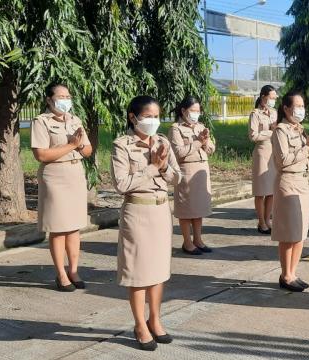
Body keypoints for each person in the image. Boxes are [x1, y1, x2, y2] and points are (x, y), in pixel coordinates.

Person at [111, 96, 181, 351]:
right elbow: (122, 184)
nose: (153, 121)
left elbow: (177, 178)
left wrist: (163, 168)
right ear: (133, 117)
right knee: (139, 273)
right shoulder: (122, 145)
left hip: (161, 210)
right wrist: (151, 167)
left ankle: (156, 319)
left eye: (156, 116)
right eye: (148, 116)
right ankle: (140, 324)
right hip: (138, 213)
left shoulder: (162, 141)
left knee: (159, 271)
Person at [30, 83, 93, 292]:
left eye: (68, 96)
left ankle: (74, 270)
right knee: (58, 228)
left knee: (74, 226)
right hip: (55, 176)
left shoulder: (75, 120)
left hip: (75, 173)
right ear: (49, 100)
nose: (65, 99)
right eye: (60, 96)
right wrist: (71, 145)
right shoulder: (41, 121)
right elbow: (41, 154)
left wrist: (80, 145)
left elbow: (88, 150)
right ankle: (61, 274)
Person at [271, 90, 309, 291]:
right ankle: (285, 275)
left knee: (300, 232)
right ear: (286, 108)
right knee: (288, 233)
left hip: (302, 183)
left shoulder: (300, 130)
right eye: (297, 106)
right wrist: (308, 149)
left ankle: (293, 272)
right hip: (288, 182)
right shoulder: (280, 131)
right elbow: (283, 160)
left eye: (303, 106)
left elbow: (305, 157)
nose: (301, 110)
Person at [169, 96, 215, 255]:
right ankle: (187, 242)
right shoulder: (176, 129)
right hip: (186, 171)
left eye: (198, 111)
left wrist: (206, 140)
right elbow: (178, 152)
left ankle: (198, 239)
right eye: (192, 110)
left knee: (199, 208)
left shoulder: (201, 126)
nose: (196, 114)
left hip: (201, 171)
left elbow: (211, 150)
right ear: (183, 111)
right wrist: (197, 142)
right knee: (186, 209)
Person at [249, 85, 278, 234]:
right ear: (263, 97)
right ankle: (261, 222)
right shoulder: (255, 114)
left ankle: (268, 220)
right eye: (271, 97)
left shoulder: (274, 112)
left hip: (273, 154)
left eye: (274, 98)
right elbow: (253, 136)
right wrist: (270, 132)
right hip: (261, 153)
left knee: (271, 191)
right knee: (261, 191)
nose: (273, 100)